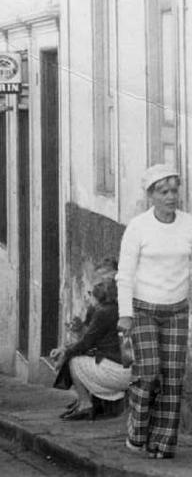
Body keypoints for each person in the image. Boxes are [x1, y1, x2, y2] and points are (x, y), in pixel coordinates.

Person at [116, 164, 192, 459]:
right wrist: (125, 314)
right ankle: (137, 431)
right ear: (151, 196)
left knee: (173, 376)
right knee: (148, 372)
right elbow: (125, 273)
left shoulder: (188, 224)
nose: (171, 197)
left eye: (174, 190)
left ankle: (161, 443)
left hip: (177, 310)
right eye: (164, 192)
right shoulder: (138, 227)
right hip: (144, 309)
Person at [51, 267, 130, 421]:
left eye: (96, 286)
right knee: (81, 358)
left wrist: (65, 353)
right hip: (130, 368)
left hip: (120, 372)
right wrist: (65, 349)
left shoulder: (104, 312)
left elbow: (86, 343)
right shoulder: (120, 308)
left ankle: (85, 404)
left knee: (75, 362)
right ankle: (83, 402)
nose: (92, 290)